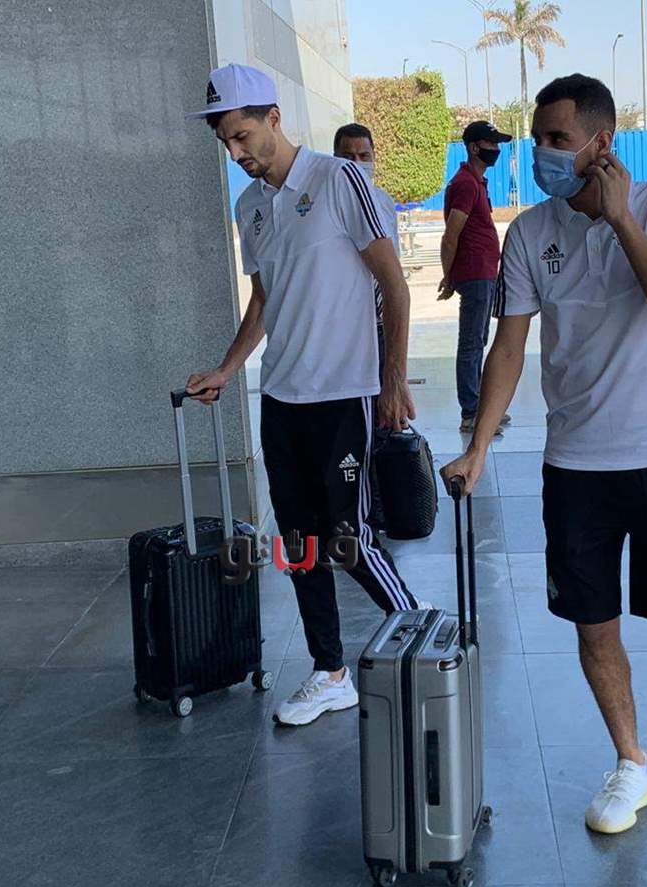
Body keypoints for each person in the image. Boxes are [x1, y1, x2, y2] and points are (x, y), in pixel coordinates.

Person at [441, 74, 647, 834]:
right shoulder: (528, 234)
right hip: (574, 465)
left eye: (557, 140)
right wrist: (477, 447)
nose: (540, 152)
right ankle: (632, 761)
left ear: (601, 144)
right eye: (537, 137)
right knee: (593, 623)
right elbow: (509, 348)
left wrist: (621, 217)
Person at [184, 64, 425, 727]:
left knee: (349, 536)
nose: (236, 152)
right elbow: (264, 299)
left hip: (345, 392)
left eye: (242, 136)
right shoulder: (251, 207)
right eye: (225, 143)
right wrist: (229, 368)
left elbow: (393, 284)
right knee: (300, 543)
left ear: (273, 118)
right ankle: (330, 671)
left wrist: (393, 379)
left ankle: (429, 639)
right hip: (282, 397)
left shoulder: (338, 179)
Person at [439, 120, 513, 434]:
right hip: (474, 273)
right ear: (474, 147)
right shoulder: (466, 184)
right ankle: (471, 412)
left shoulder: (476, 182)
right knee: (471, 343)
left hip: (483, 272)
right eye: (491, 144)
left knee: (478, 340)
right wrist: (448, 276)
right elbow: (450, 235)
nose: (495, 149)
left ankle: (481, 406)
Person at [333, 123, 398, 384]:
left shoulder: (384, 202)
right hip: (345, 325)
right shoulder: (328, 204)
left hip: (380, 323)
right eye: (348, 157)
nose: (357, 164)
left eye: (364, 156)